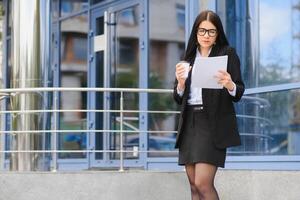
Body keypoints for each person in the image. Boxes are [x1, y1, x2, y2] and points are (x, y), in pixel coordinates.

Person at [173, 10, 245, 200]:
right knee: (193, 187)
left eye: (211, 31)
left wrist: (229, 84)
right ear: (196, 33)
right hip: (189, 123)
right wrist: (180, 84)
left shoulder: (227, 54)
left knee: (202, 184)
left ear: (217, 34)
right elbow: (178, 97)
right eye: (202, 31)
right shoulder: (187, 58)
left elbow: (238, 92)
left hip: (212, 124)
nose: (206, 35)